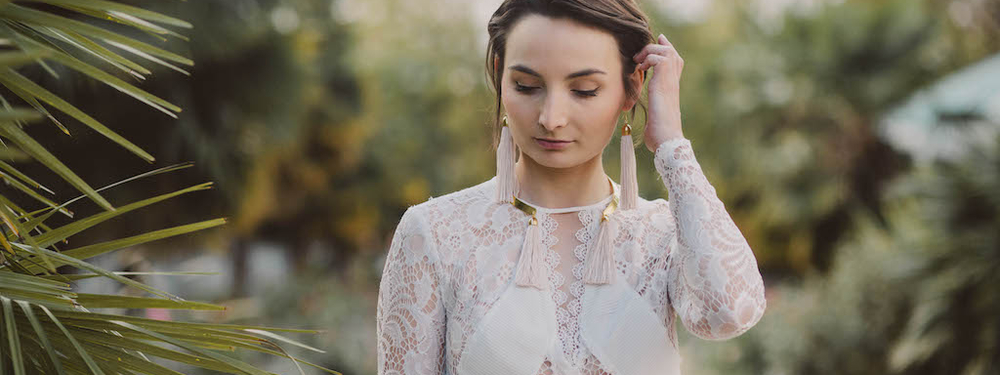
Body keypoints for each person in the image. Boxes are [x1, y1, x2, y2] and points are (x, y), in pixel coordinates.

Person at [376, 0, 767, 374]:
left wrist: (671, 145)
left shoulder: (663, 234)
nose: (551, 118)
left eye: (584, 90)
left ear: (632, 87)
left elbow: (731, 313)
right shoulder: (436, 233)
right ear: (499, 76)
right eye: (527, 85)